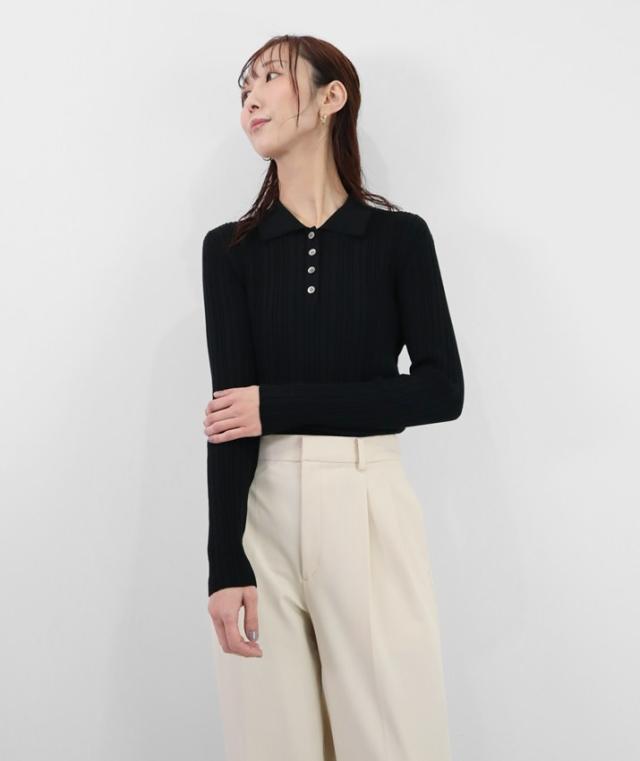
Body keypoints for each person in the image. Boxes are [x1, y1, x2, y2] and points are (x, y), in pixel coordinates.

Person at [201, 34, 464, 761]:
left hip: (367, 500)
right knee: (272, 746)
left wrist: (276, 405)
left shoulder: (398, 239)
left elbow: (441, 390)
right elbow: (231, 417)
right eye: (244, 87)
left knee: (393, 742)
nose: (251, 98)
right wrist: (225, 564)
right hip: (262, 513)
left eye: (270, 77)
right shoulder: (229, 250)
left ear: (330, 98)